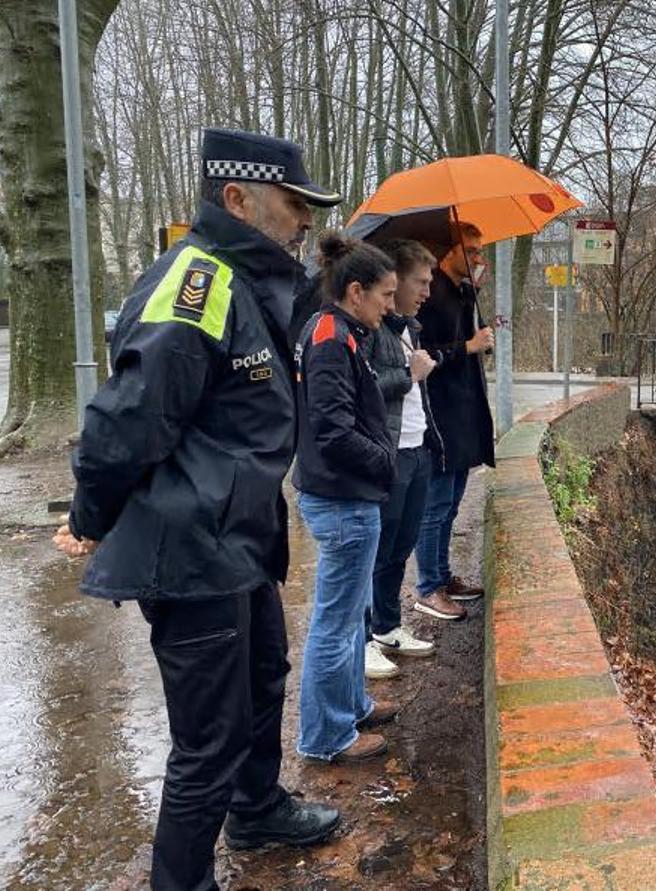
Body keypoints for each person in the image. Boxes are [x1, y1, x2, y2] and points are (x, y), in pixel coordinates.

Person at [55, 127, 343, 891]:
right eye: (293, 205)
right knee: (207, 738)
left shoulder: (246, 280)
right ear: (238, 198)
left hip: (237, 537)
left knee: (262, 681)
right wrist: (89, 516)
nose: (304, 220)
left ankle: (256, 808)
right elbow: (124, 420)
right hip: (192, 548)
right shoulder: (198, 282)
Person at [292, 232, 400, 761]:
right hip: (342, 501)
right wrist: (384, 461)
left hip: (345, 497)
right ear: (355, 291)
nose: (390, 306)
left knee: (349, 614)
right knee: (334, 624)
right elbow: (332, 429)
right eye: (385, 296)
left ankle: (352, 705)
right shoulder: (332, 337)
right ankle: (326, 737)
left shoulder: (338, 331)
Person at [359, 239, 443, 679]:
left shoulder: (411, 328)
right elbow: (363, 386)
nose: (426, 292)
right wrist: (410, 375)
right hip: (388, 454)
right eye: (420, 283)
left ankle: (388, 626)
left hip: (417, 449)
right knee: (375, 549)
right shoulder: (373, 329)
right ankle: (365, 639)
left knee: (399, 546)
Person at [412, 222, 495, 621]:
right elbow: (423, 353)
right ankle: (428, 587)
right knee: (436, 502)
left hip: (463, 411)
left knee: (452, 502)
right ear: (450, 250)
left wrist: (474, 292)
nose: (480, 257)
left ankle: (443, 577)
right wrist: (469, 345)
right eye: (473, 250)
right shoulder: (429, 295)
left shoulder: (460, 291)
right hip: (440, 413)